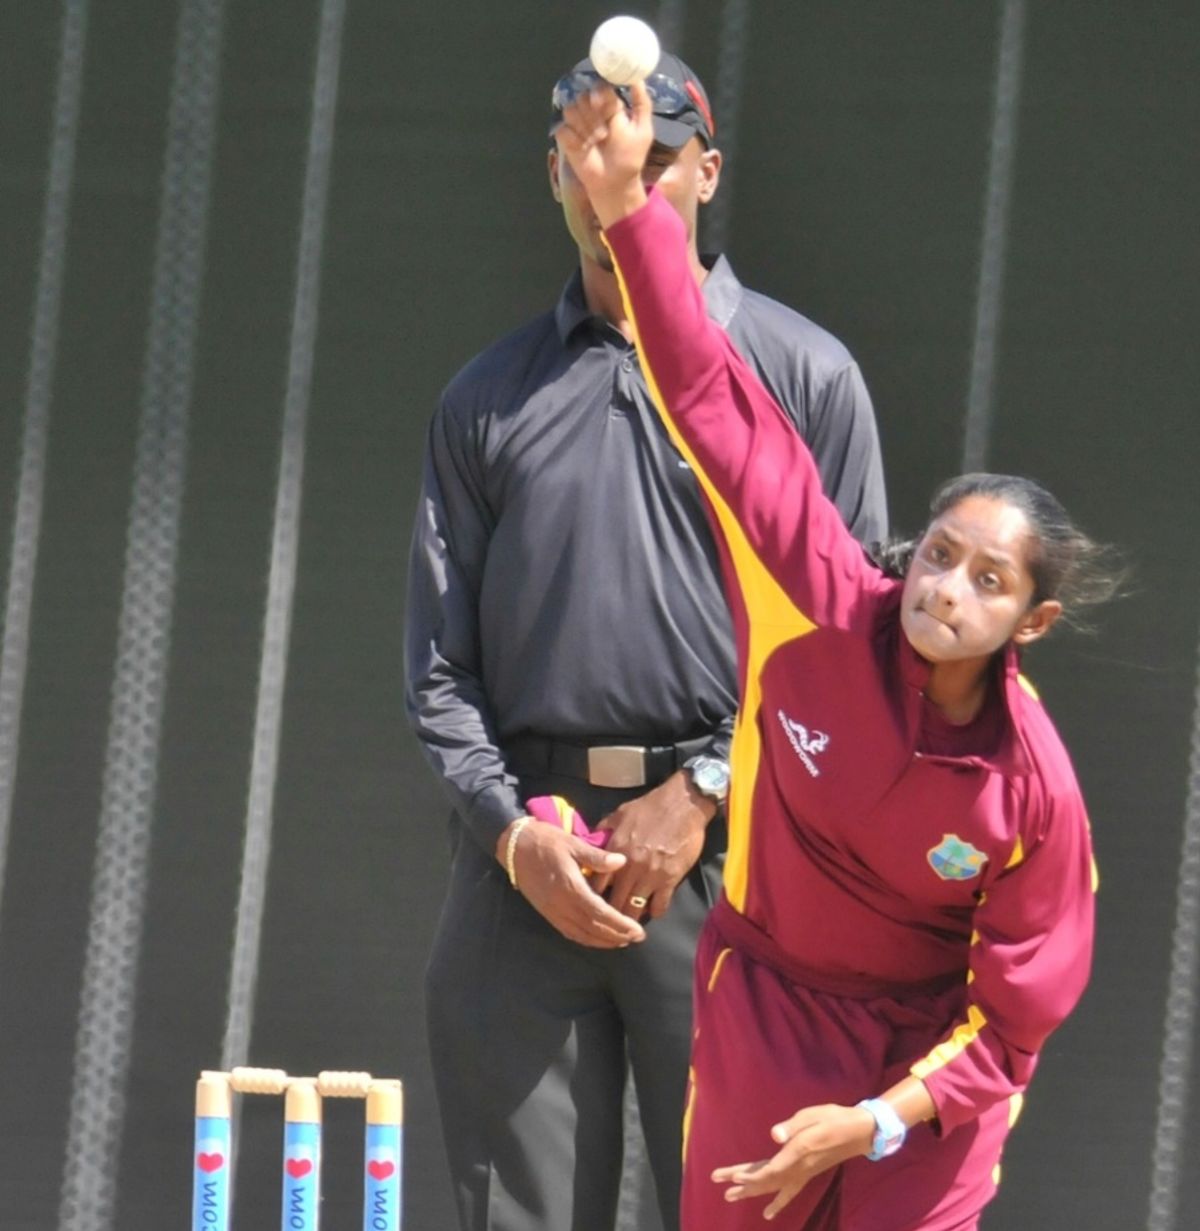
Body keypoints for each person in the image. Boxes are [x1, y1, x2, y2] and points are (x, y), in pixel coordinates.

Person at [552, 79, 1119, 1230]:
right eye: (941, 555)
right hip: (769, 1008)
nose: (946, 590)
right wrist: (630, 214)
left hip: (931, 1068)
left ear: (1031, 624)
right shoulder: (817, 602)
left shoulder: (1034, 789)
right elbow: (712, 397)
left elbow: (1013, 1026)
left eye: (989, 581)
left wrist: (880, 1120)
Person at [404, 47, 888, 1231]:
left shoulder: (805, 375)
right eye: (587, 155)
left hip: (738, 872)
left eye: (654, 158)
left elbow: (862, 660)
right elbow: (439, 671)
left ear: (706, 173)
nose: (617, 180)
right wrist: (516, 840)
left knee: (748, 1213)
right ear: (556, 176)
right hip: (531, 862)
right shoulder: (485, 398)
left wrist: (709, 787)